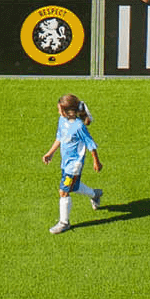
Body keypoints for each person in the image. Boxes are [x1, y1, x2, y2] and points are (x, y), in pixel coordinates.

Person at [39, 92, 105, 233]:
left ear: (68, 111)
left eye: (59, 109)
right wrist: (50, 153)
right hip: (65, 162)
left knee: (63, 191)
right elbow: (60, 138)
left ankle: (64, 222)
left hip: (74, 165)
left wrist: (96, 162)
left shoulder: (79, 127)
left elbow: (91, 144)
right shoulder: (62, 121)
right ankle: (95, 194)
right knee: (73, 186)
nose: (58, 111)